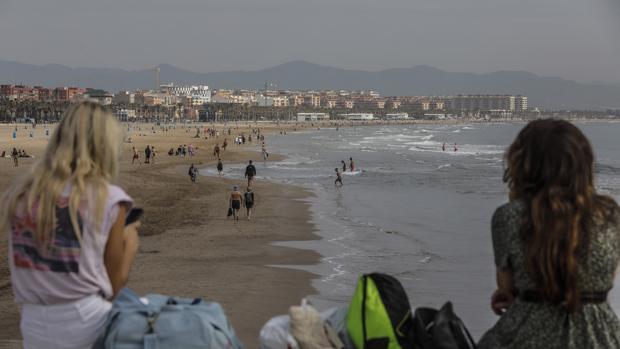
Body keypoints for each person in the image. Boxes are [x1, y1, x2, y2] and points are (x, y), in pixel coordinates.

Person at [0, 101, 140, 349]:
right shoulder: (107, 199)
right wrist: (130, 242)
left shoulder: (20, 196)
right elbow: (115, 284)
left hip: (33, 323)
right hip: (86, 320)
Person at [478, 119, 620, 349]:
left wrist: (516, 294)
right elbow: (606, 277)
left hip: (526, 335)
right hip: (600, 336)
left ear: (524, 164)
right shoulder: (610, 214)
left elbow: (506, 285)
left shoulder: (508, 217)